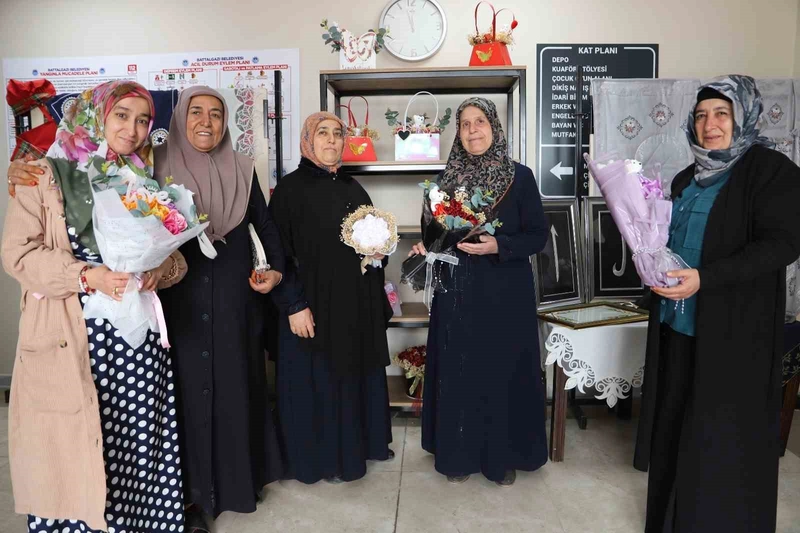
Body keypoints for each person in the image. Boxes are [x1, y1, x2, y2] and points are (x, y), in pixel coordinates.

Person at [2, 80, 186, 532]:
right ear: (95, 113)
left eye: (142, 120)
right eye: (121, 115)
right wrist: (85, 276)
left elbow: (175, 257)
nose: (133, 129)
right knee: (74, 445)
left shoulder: (140, 177)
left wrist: (156, 271)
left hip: (135, 341)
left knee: (137, 443)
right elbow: (17, 255)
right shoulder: (43, 173)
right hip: (71, 334)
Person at [635, 75, 800, 532]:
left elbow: (783, 244)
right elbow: (668, 242)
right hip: (677, 325)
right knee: (675, 427)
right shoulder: (686, 177)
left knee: (721, 437)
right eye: (701, 115)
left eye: (722, 114)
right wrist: (649, 262)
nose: (710, 125)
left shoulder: (771, 171)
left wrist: (706, 279)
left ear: (743, 117)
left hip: (734, 333)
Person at [154, 86, 285, 528]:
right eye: (196, 112)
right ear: (180, 118)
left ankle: (237, 482)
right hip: (179, 297)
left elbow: (265, 226)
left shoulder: (242, 169)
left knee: (235, 387)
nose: (206, 122)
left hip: (235, 298)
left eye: (215, 113)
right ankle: (189, 500)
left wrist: (275, 271)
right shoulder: (155, 166)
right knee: (186, 395)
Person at [410, 97, 549, 486]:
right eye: (465, 124)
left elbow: (538, 235)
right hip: (457, 291)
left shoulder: (520, 177)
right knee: (459, 369)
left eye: (480, 122)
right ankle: (458, 454)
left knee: (501, 370)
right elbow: (432, 236)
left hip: (506, 292)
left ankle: (501, 457)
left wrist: (498, 246)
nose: (473, 130)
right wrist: (427, 246)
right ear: (458, 132)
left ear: (494, 127)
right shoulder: (443, 182)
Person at [268, 112, 394, 484]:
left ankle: (358, 449)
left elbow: (370, 244)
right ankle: (325, 460)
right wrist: (294, 305)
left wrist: (378, 253)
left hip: (354, 305)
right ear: (308, 140)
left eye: (337, 134)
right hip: (313, 307)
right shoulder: (289, 190)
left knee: (353, 377)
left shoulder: (353, 188)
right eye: (322, 133)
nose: (331, 140)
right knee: (320, 381)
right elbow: (277, 254)